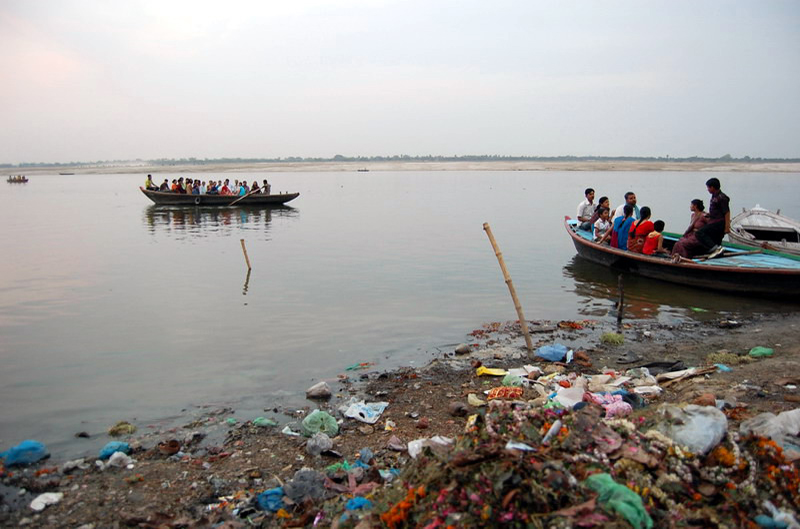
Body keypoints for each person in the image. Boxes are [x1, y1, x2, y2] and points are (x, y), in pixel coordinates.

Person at [694, 177, 730, 258]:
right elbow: (717, 210)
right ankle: (717, 252)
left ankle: (716, 249)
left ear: (712, 187)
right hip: (714, 220)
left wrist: (727, 227)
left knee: (700, 233)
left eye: (708, 187)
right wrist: (710, 215)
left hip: (718, 223)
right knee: (716, 240)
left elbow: (727, 212)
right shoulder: (714, 196)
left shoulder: (722, 197)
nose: (707, 190)